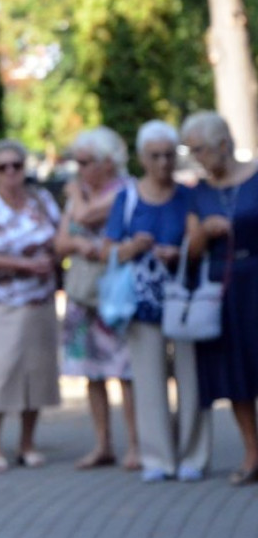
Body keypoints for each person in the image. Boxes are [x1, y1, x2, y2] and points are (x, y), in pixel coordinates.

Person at [105, 120, 210, 482]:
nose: (163, 163)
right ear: (142, 158)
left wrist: (181, 252)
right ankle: (157, 458)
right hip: (142, 302)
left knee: (191, 379)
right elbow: (108, 249)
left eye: (168, 155)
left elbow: (200, 243)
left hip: (184, 299)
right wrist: (133, 247)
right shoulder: (128, 197)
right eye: (155, 156)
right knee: (149, 381)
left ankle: (193, 454)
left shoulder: (188, 196)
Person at [0, 139, 61, 473]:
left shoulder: (41, 200)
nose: (10, 173)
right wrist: (22, 264)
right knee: (1, 371)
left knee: (36, 372)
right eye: (2, 167)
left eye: (16, 165)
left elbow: (59, 240)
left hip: (39, 299)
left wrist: (51, 258)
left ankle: (27, 442)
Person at [55, 126, 139, 470]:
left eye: (85, 162)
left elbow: (84, 216)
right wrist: (79, 244)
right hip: (82, 292)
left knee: (125, 370)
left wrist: (75, 196)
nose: (79, 170)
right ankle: (103, 444)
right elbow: (61, 242)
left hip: (114, 293)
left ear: (107, 162)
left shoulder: (124, 189)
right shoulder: (81, 192)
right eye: (76, 162)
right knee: (91, 371)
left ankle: (136, 445)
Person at [182, 111, 258, 485]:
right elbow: (191, 251)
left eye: (199, 149)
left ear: (223, 145)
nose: (195, 157)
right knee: (236, 372)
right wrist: (204, 232)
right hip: (222, 290)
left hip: (255, 280)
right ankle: (252, 453)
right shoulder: (199, 192)